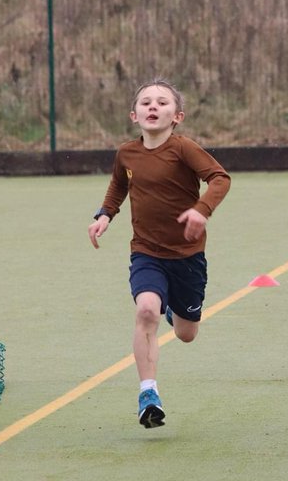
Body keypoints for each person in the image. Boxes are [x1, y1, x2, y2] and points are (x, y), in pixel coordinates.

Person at [88, 78, 231, 427]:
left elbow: (220, 178)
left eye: (162, 103)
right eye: (146, 102)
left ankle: (177, 312)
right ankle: (148, 393)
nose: (154, 107)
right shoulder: (126, 153)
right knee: (147, 310)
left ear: (177, 115)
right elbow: (119, 184)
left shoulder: (184, 149)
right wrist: (105, 215)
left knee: (185, 333)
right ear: (134, 114)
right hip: (146, 253)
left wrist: (201, 210)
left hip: (187, 257)